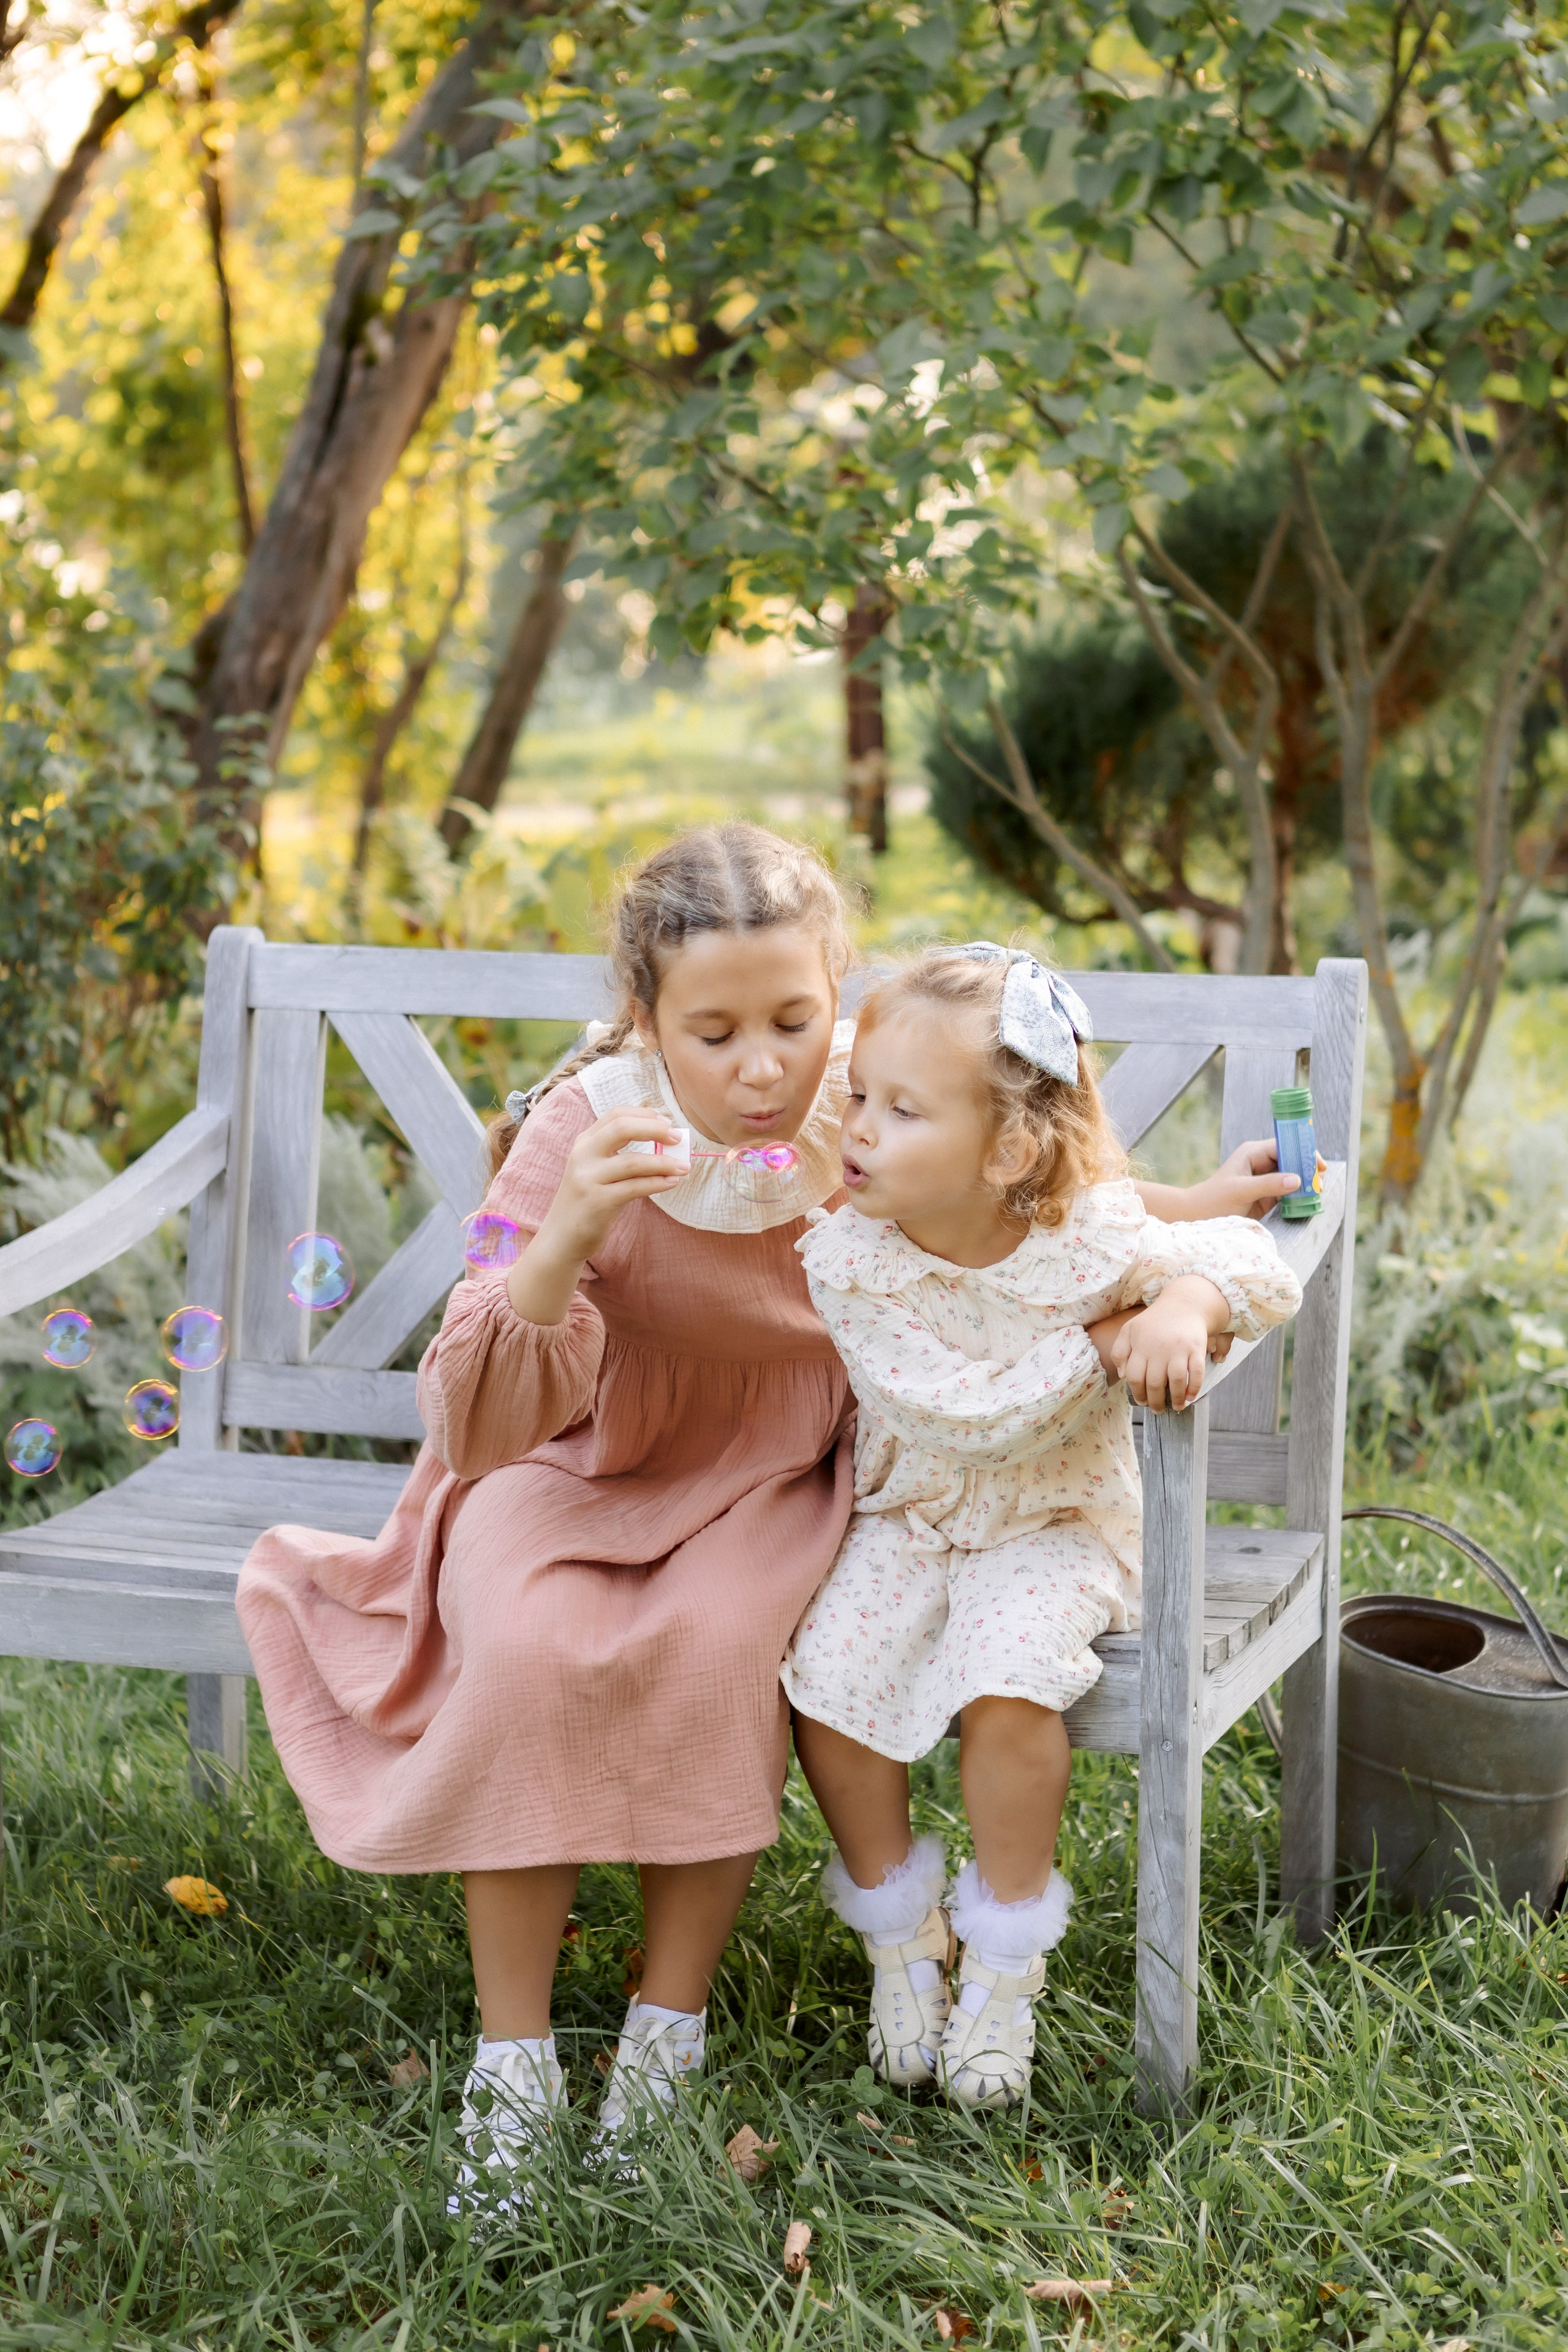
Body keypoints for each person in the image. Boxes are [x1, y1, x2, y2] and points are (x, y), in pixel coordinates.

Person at [238, 823, 864, 2206]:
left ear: (836, 991)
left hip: (762, 1465)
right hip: (562, 1448)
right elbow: (474, 1401)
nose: (761, 1067)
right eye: (713, 1032)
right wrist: (569, 1227)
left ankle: (663, 2037)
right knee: (527, 1648)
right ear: (643, 1021)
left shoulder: (870, 1111)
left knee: (713, 1647)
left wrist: (1181, 1251)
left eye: (792, 1018)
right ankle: (510, 2064)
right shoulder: (583, 1122)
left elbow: (1043, 1199)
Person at [783, 943, 1304, 2111]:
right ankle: (905, 1933)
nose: (856, 1128)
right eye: (857, 1097)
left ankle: (1006, 1963)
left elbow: (1248, 1265)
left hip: (1058, 1525)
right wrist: (1098, 1349)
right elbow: (950, 1416)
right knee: (827, 1679)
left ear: (1009, 1153)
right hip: (914, 1514)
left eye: (899, 1110)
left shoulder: (1084, 1235)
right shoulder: (850, 1258)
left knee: (1011, 1691)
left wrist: (1184, 1300)